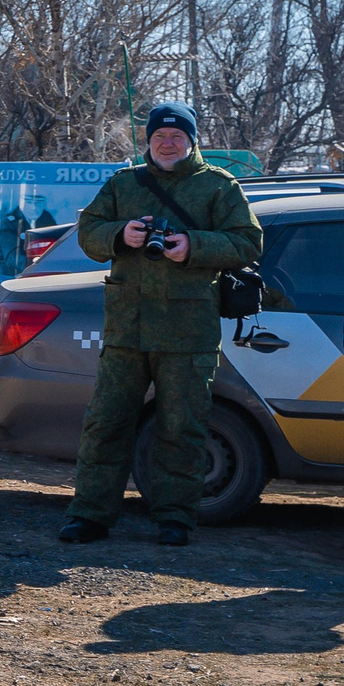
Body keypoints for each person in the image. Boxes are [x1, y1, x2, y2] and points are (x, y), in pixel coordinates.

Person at [55, 102, 262, 548]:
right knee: (106, 423)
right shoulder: (124, 184)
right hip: (127, 329)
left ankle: (176, 517)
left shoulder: (217, 186)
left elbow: (249, 241)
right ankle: (89, 514)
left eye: (177, 136)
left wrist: (193, 245)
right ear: (148, 140)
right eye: (159, 136)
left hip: (188, 332)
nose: (168, 143)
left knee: (182, 426)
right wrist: (119, 235)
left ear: (192, 140)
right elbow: (87, 232)